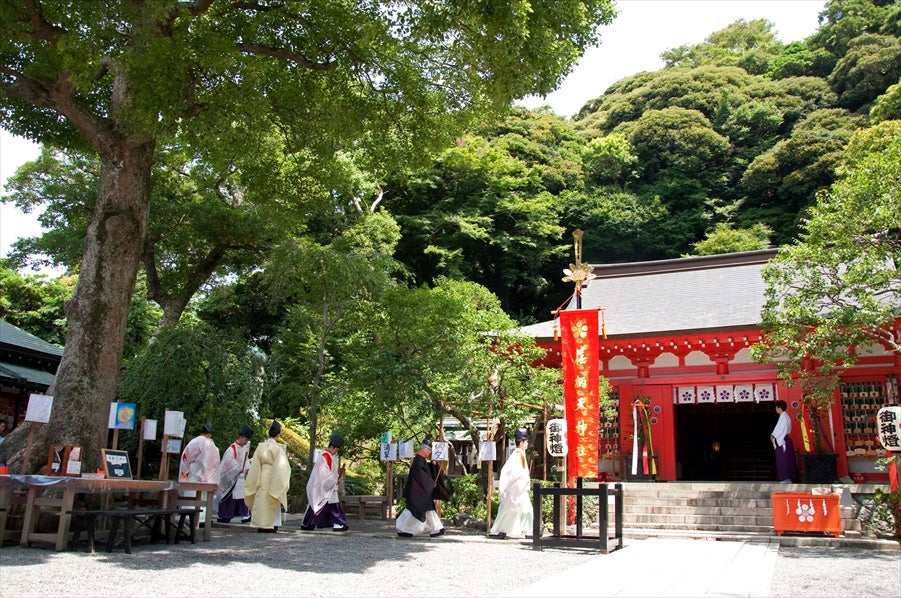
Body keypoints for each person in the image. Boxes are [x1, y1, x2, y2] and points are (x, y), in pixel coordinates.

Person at [244, 420, 292, 532]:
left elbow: (255, 464)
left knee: (261, 499)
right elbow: (283, 467)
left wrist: (254, 479)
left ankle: (260, 524)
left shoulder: (261, 446)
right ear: (278, 435)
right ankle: (272, 524)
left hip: (261, 474)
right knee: (273, 496)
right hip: (273, 474)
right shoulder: (278, 448)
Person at [396, 435, 445, 538]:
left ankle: (436, 528)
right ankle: (403, 528)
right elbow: (421, 476)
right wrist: (431, 483)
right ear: (424, 449)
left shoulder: (420, 460)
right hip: (417, 492)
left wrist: (433, 465)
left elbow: (426, 471)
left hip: (420, 491)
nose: (429, 452)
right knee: (413, 510)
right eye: (429, 450)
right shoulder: (418, 460)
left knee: (427, 509)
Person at [489, 428, 533, 539]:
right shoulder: (517, 456)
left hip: (519, 489)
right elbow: (510, 473)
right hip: (515, 489)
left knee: (526, 510)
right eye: (526, 441)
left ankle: (529, 530)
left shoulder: (519, 455)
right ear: (522, 442)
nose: (527, 444)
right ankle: (496, 530)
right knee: (507, 511)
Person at [301, 432, 349, 531]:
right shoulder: (326, 456)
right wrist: (334, 480)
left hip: (323, 484)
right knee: (333, 505)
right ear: (331, 447)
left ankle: (308, 523)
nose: (336, 451)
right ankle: (338, 523)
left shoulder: (325, 455)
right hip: (326, 484)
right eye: (336, 449)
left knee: (317, 504)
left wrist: (334, 479)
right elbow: (325, 473)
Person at [179, 422, 221, 523]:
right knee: (204, 495)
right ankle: (203, 517)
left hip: (194, 470)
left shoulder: (193, 442)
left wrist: (185, 471)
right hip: (206, 472)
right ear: (209, 433)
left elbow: (186, 457)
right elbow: (214, 461)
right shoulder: (211, 444)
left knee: (191, 492)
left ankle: (188, 515)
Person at [215, 425, 253, 523]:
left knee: (242, 496)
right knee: (229, 497)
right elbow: (228, 462)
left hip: (241, 477)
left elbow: (247, 460)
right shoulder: (232, 448)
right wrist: (238, 468)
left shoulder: (245, 448)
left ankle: (245, 515)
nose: (246, 442)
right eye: (245, 439)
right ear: (240, 437)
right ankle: (225, 515)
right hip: (232, 478)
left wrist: (247, 468)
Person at [771, 400, 797, 484]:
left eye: (776, 407)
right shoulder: (785, 417)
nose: (775, 409)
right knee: (786, 458)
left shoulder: (783, 417)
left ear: (779, 408)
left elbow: (780, 430)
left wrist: (773, 436)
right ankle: (786, 477)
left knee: (783, 459)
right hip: (785, 440)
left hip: (782, 440)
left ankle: (785, 478)